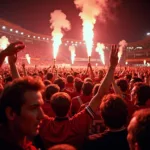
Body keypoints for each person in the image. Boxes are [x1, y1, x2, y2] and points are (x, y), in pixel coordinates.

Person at [39, 45, 119, 149]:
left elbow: (26, 97)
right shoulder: (77, 123)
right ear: (70, 105)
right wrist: (112, 67)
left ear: (52, 107)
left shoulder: (44, 123)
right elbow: (100, 94)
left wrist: (13, 64)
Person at [0, 77, 45, 150]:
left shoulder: (30, 140)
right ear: (11, 113)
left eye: (40, 107)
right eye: (34, 108)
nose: (42, 115)